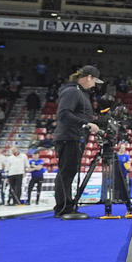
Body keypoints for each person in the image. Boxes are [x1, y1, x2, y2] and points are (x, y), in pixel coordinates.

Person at [53, 66, 102, 219]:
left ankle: (66, 205)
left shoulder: (79, 92)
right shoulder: (72, 91)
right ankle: (64, 208)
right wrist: (86, 124)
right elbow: (64, 114)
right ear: (89, 77)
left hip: (74, 137)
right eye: (94, 81)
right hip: (69, 137)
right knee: (66, 173)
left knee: (68, 172)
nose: (94, 85)